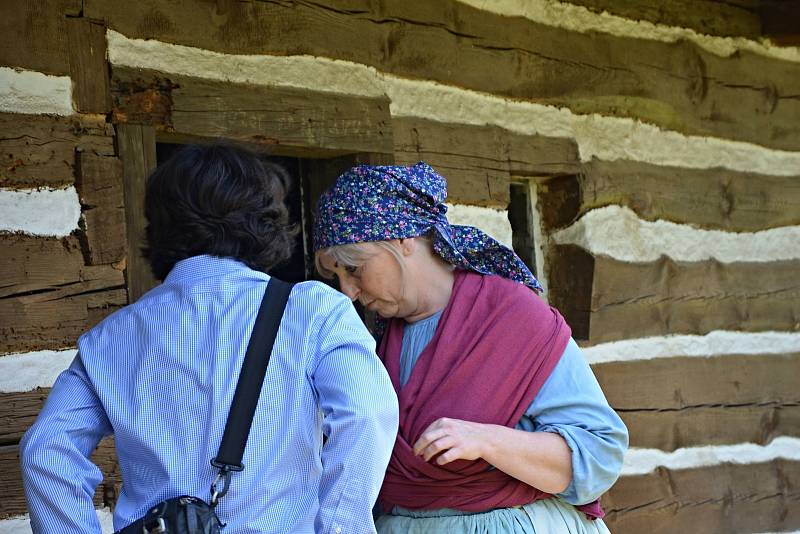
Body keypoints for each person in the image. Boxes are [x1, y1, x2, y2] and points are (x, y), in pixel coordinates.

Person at [20, 143, 399, 534]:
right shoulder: (312, 311)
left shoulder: (110, 338)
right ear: (265, 218)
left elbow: (46, 451)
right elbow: (366, 414)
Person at [313, 162, 628, 534]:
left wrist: (487, 439)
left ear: (402, 239)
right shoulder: (378, 342)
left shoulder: (510, 317)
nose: (348, 291)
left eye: (354, 268)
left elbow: (598, 455)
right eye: (337, 276)